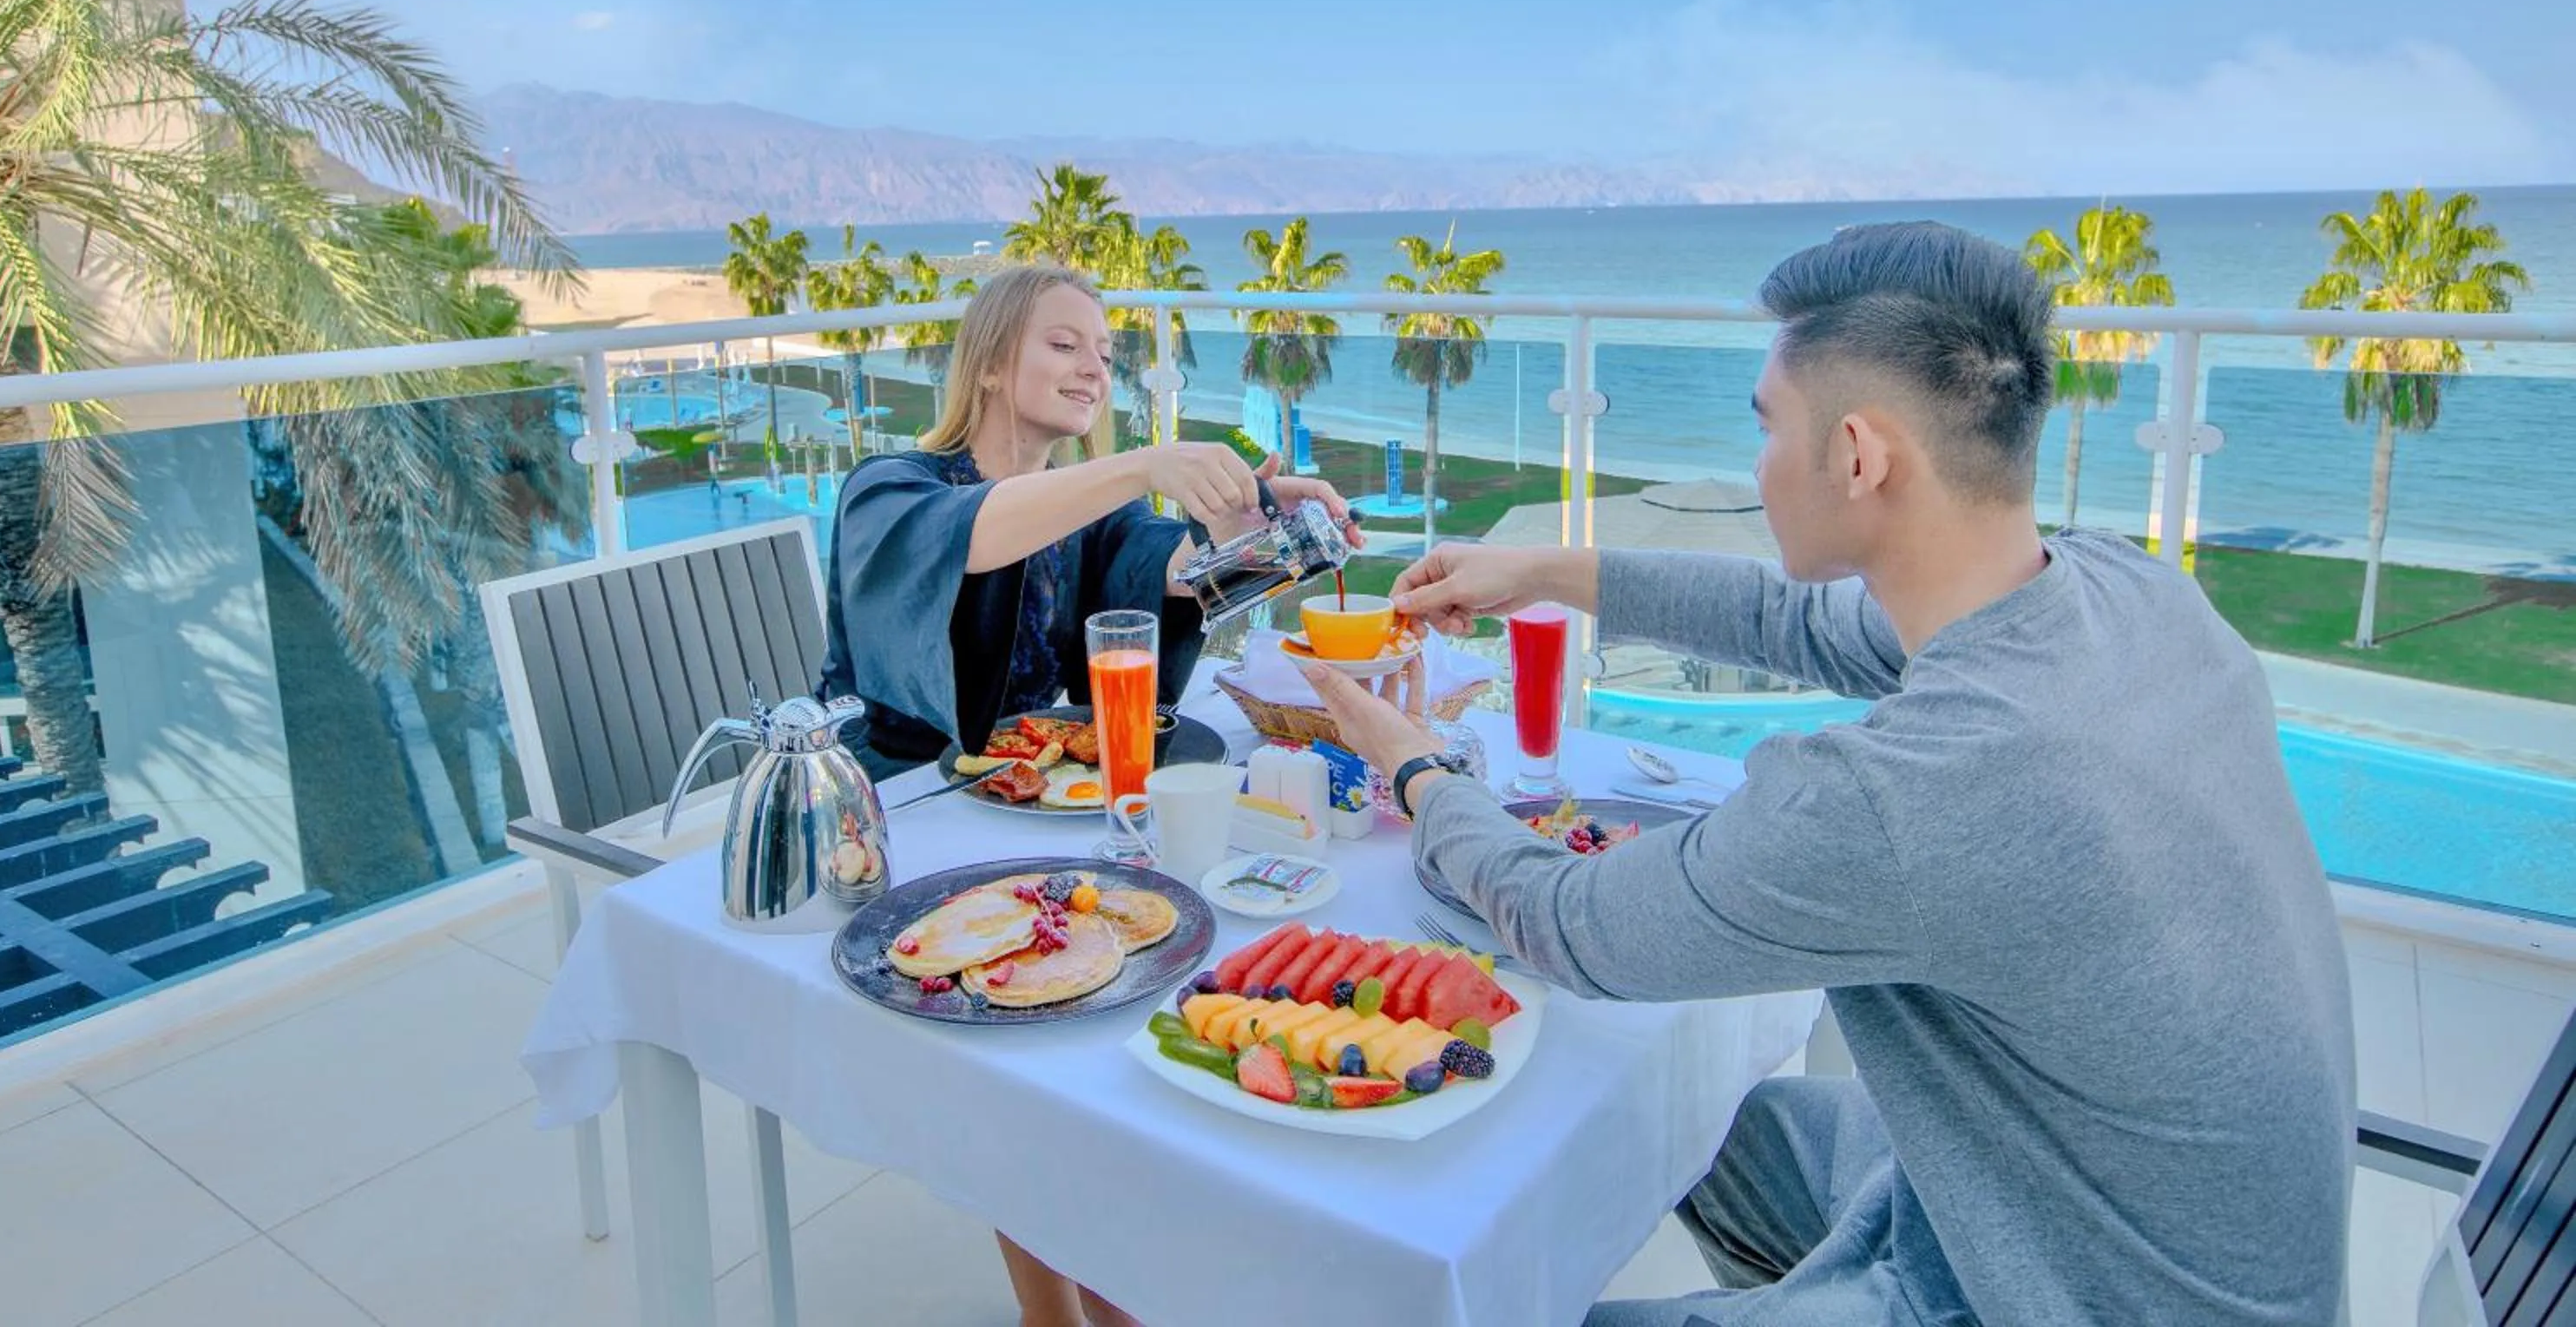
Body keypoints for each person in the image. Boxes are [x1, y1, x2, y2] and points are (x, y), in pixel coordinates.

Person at [1303, 222, 2356, 1326]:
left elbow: (1572, 923)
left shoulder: (1911, 791)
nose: (1757, 461)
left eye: (1767, 426)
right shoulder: (2127, 589)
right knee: (1675, 1122)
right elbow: (1789, 618)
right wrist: (1540, 571)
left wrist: (1413, 763)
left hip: (2072, 1297)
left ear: (1858, 454)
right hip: (2073, 1217)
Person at [818, 261, 1356, 1327]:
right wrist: (1145, 462)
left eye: (1105, 353)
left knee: (1121, 985)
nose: (1093, 367)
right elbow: (974, 530)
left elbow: (1177, 574)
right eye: (1064, 343)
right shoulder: (889, 490)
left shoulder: (1083, 515)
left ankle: (1104, 1293)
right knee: (1046, 1041)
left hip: (1025, 817)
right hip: (899, 824)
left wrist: (1269, 525)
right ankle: (1069, 1307)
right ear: (990, 360)